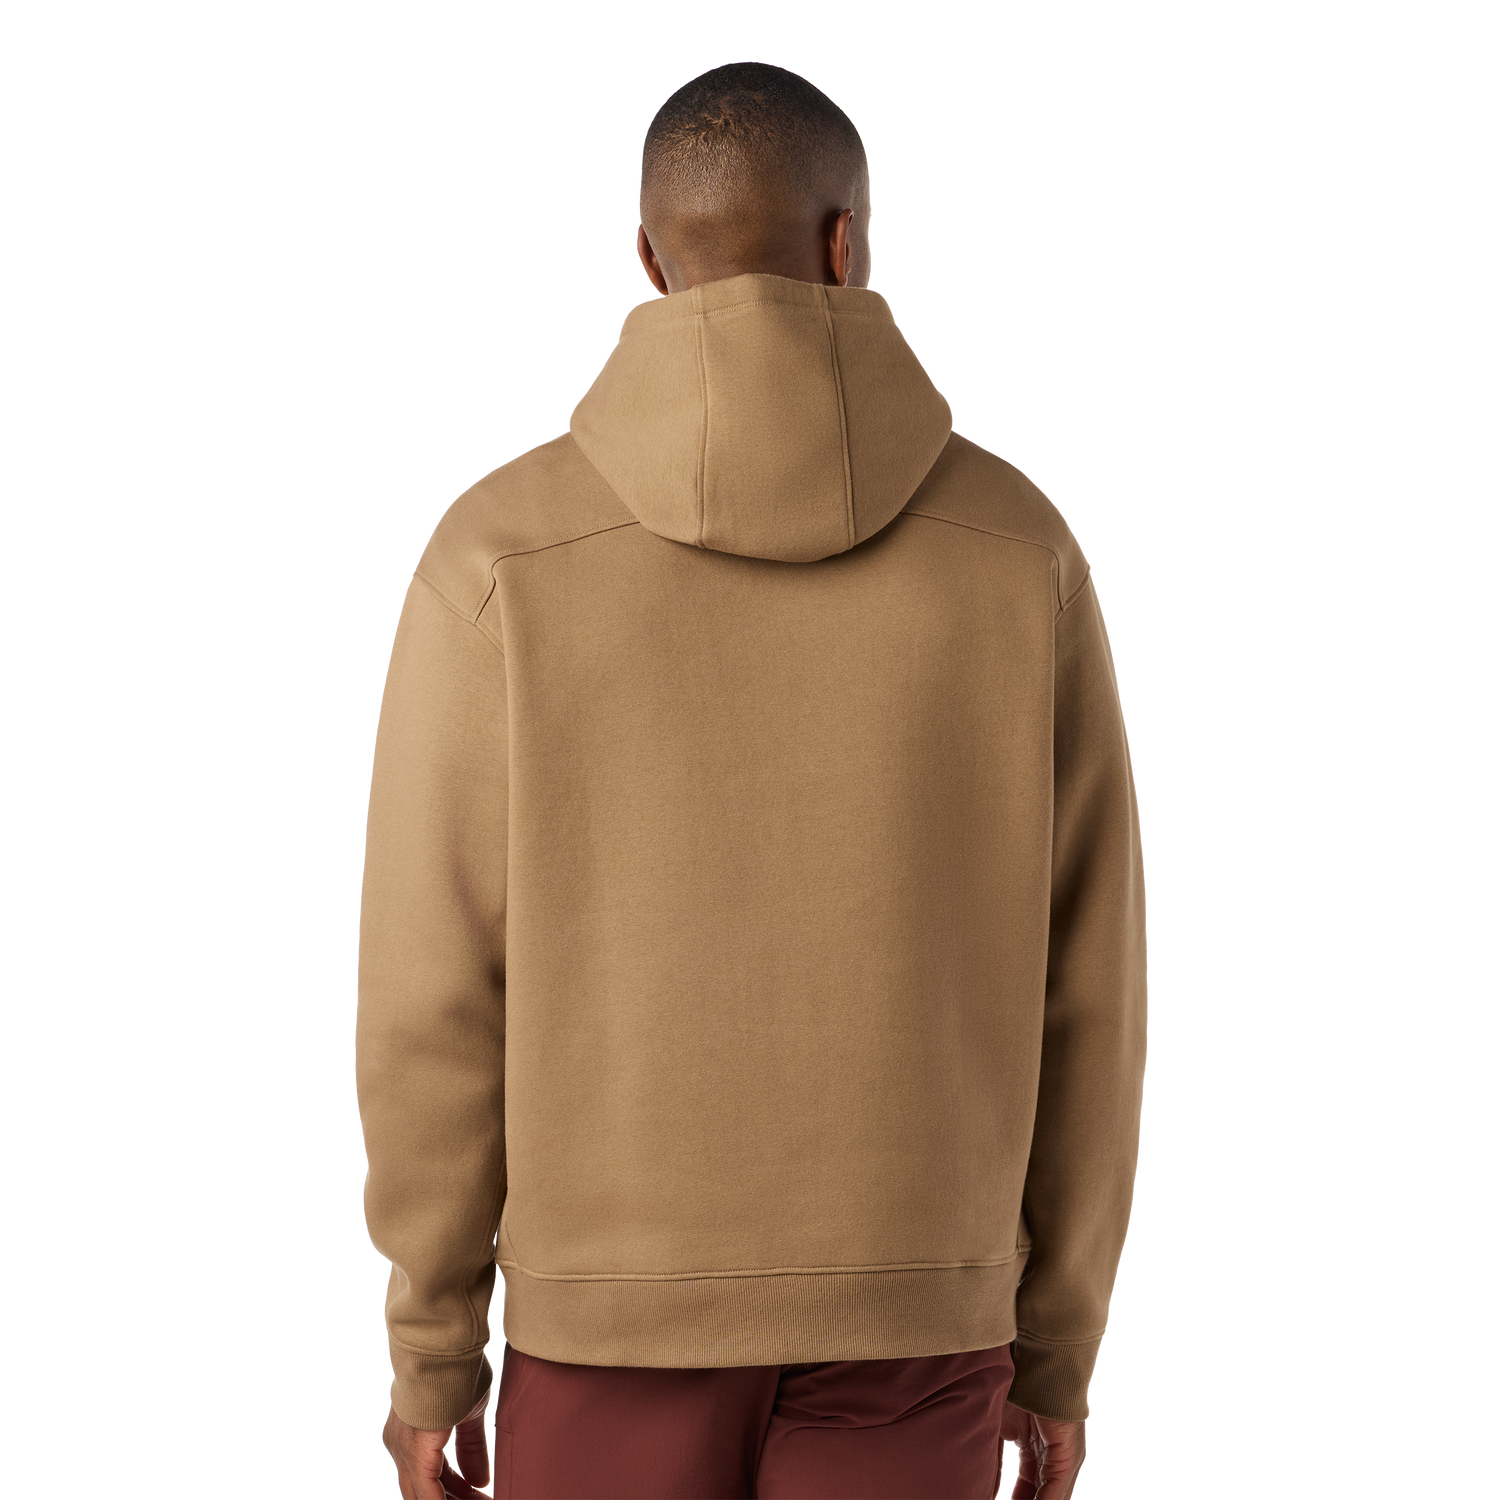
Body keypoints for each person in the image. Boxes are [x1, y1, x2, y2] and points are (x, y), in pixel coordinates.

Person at [356, 58, 1149, 1500]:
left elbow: (430, 995)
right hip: (921, 1319)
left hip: (604, 1326)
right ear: (849, 244)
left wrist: (432, 1352)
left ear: (650, 261)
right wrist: (1056, 1350)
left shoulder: (496, 556)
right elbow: (1092, 989)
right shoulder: (1021, 550)